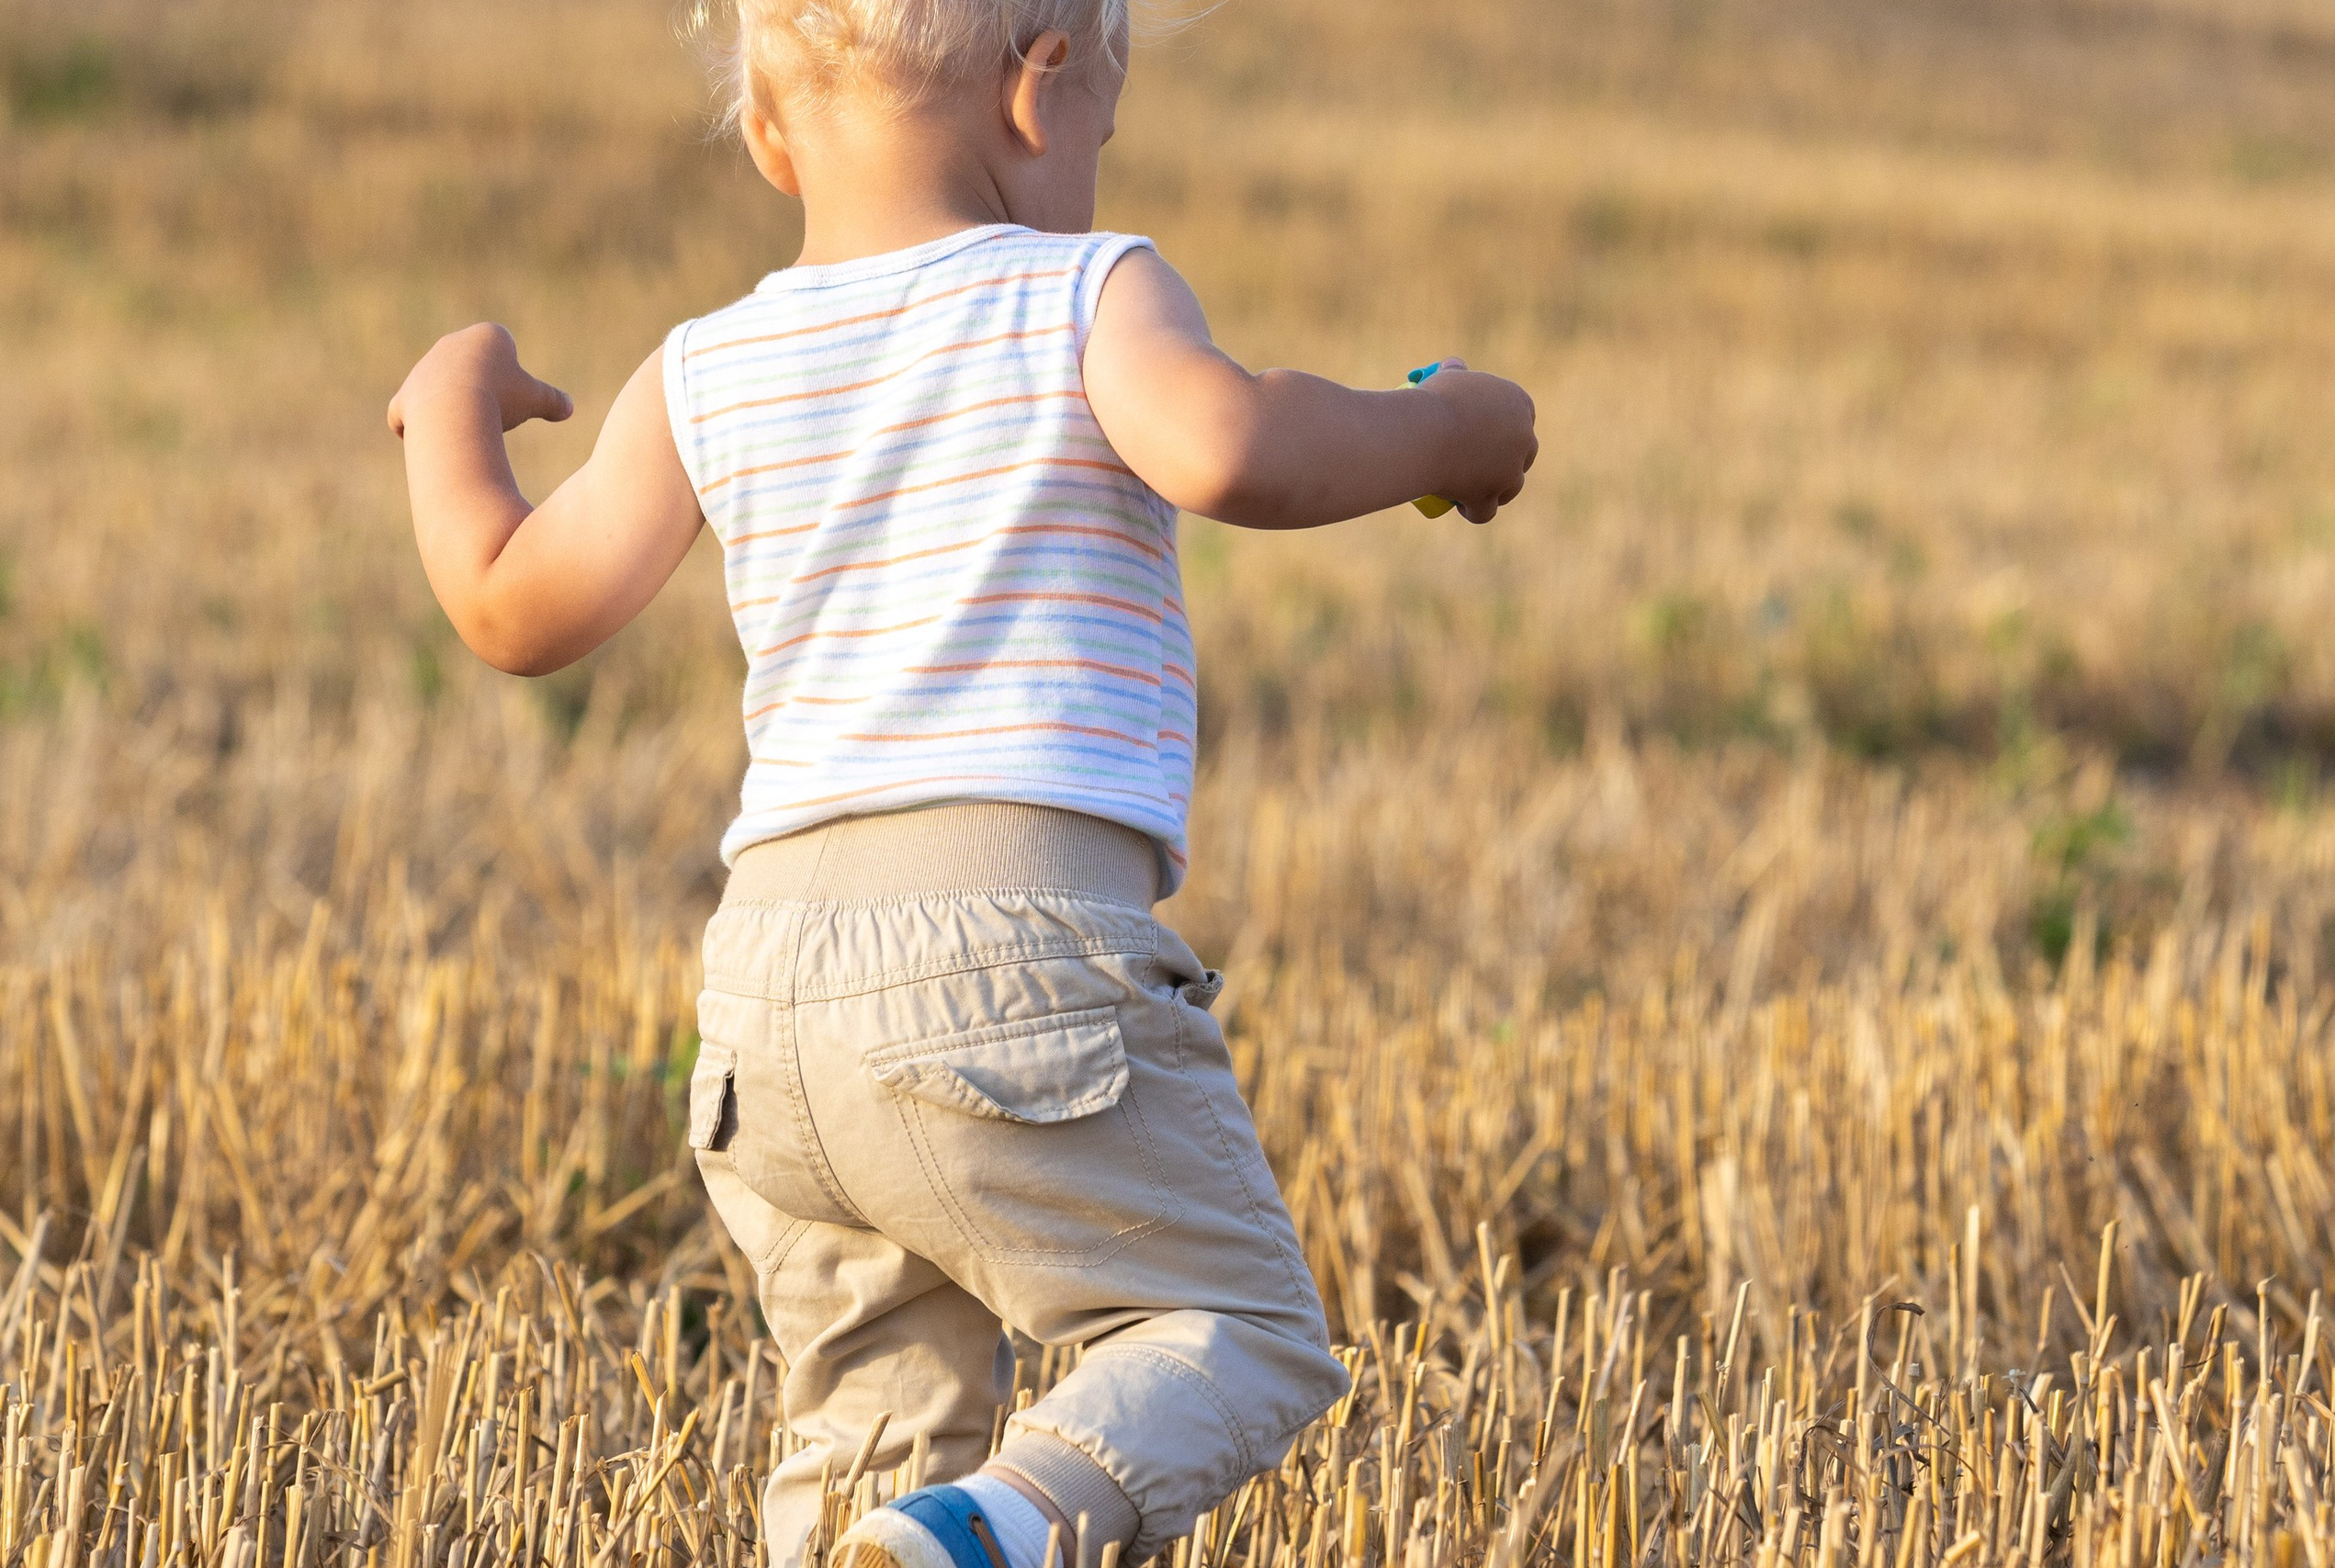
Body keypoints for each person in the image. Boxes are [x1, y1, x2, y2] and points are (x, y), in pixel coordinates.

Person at [386, 3, 1539, 1566]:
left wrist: (450, 404)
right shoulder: (1082, 292)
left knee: (868, 1423)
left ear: (774, 134)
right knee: (1239, 1326)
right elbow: (1227, 449)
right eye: (1105, 129)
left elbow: (512, 605)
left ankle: (913, 1535)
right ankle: (1002, 1531)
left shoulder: (706, 366)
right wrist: (1441, 431)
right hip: (1008, 963)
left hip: (767, 1011)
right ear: (1042, 90)